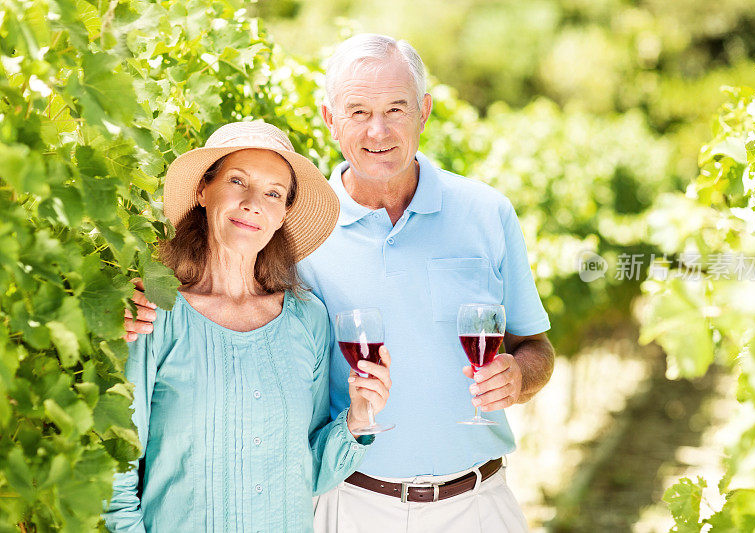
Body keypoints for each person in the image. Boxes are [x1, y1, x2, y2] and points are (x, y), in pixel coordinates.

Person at [126, 35, 555, 532]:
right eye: (357, 111)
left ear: (425, 111)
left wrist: (520, 376)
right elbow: (220, 283)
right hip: (351, 504)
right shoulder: (290, 237)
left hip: (479, 501)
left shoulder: (487, 212)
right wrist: (137, 301)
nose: (379, 129)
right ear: (330, 120)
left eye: (396, 108)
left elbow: (537, 347)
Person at [105, 121, 392, 533]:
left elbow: (307, 474)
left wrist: (360, 418)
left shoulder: (306, 318)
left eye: (273, 193)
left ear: (283, 214)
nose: (253, 203)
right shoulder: (154, 313)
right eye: (237, 181)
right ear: (203, 190)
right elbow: (116, 475)